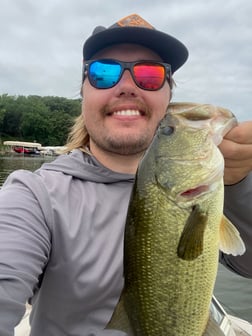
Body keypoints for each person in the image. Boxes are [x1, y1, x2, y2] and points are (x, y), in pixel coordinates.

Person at [0, 13, 252, 336]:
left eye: (149, 75)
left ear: (168, 97)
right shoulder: (33, 196)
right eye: (104, 73)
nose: (127, 86)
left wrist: (240, 186)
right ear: (83, 93)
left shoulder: (207, 192)